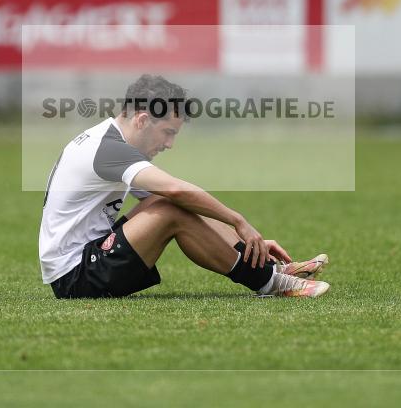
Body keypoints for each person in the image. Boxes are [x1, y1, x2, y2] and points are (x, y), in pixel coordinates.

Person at [39, 74, 330, 299]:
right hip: (75, 277)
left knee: (169, 203)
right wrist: (238, 221)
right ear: (142, 120)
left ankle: (265, 268)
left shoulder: (108, 139)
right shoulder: (109, 150)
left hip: (87, 259)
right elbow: (176, 191)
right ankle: (269, 283)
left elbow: (175, 197)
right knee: (171, 208)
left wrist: (243, 245)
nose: (169, 144)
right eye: (167, 133)